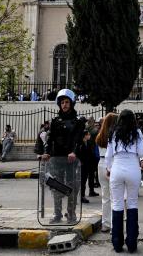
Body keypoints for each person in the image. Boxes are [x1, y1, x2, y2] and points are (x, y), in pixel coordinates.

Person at [42, 89, 85, 224]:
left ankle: (71, 214)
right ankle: (57, 213)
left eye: (67, 102)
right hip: (57, 159)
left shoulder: (78, 121)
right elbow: (50, 139)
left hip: (72, 160)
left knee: (71, 187)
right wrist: (47, 152)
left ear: (71, 103)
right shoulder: (55, 121)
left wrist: (74, 152)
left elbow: (79, 140)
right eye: (62, 102)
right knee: (57, 187)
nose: (64, 105)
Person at [105, 109, 143, 253]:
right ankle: (132, 243)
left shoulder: (113, 133)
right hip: (132, 168)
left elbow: (108, 156)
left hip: (117, 168)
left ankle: (117, 243)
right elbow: (141, 153)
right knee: (132, 204)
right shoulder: (138, 133)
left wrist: (109, 169)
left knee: (117, 205)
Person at [95, 113, 118, 233]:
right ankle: (114, 225)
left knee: (105, 196)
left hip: (101, 163)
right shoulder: (115, 136)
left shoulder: (100, 135)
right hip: (112, 163)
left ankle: (105, 223)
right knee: (115, 197)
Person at [78, 130, 93, 204]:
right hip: (82, 164)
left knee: (84, 180)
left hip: (87, 164)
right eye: (88, 134)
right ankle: (81, 196)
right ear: (85, 135)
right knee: (82, 181)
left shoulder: (88, 143)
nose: (89, 136)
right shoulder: (80, 143)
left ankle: (82, 195)